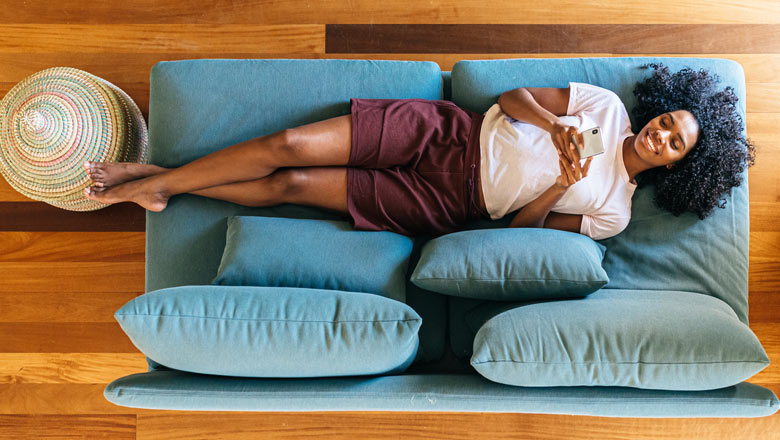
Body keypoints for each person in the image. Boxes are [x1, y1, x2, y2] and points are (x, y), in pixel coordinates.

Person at [82, 63, 756, 240]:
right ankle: (158, 179)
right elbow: (516, 96)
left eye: (674, 141)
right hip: (446, 132)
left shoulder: (613, 211)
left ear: (676, 164)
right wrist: (555, 131)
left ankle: (160, 182)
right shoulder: (604, 108)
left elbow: (519, 233)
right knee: (289, 144)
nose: (660, 133)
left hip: (446, 201)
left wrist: (558, 185)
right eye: (667, 119)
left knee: (292, 185)